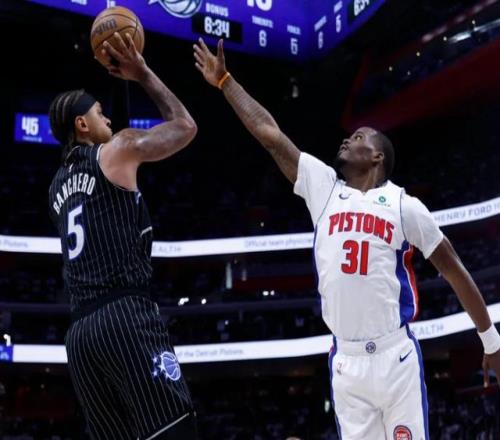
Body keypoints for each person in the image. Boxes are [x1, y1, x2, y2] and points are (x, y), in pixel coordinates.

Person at [193, 38, 500, 440]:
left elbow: (455, 270)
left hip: (395, 356)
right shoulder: (324, 187)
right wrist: (226, 82)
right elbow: (270, 134)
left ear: (378, 157)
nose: (346, 139)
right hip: (346, 362)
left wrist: (491, 341)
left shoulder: (405, 205)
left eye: (358, 137)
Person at [48, 33, 198, 439]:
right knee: (174, 428)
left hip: (80, 336)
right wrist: (142, 73)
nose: (109, 121)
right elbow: (185, 127)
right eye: (100, 113)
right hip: (123, 316)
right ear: (82, 124)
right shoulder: (116, 150)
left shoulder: (55, 189)